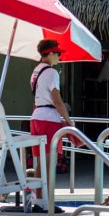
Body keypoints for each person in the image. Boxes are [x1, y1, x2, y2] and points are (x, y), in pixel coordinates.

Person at [29, 39, 73, 175]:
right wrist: (68, 121)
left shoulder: (35, 71)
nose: (60, 57)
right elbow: (57, 100)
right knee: (50, 161)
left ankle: (33, 190)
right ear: (50, 54)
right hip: (48, 119)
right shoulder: (52, 73)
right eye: (57, 53)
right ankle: (40, 194)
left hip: (36, 117)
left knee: (42, 161)